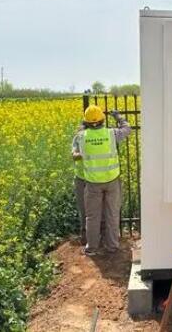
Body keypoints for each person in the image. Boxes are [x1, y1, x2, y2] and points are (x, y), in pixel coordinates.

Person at [73, 105, 131, 256]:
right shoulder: (112, 134)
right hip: (112, 180)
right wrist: (118, 117)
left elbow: (74, 154)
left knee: (92, 216)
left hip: (92, 183)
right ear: (102, 120)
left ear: (86, 122)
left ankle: (92, 248)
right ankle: (112, 246)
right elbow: (127, 129)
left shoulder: (80, 137)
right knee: (112, 214)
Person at [72, 121, 87, 245]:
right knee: (83, 208)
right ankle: (85, 235)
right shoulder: (78, 137)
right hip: (81, 179)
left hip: (97, 179)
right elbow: (74, 155)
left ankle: (101, 235)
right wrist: (85, 153)